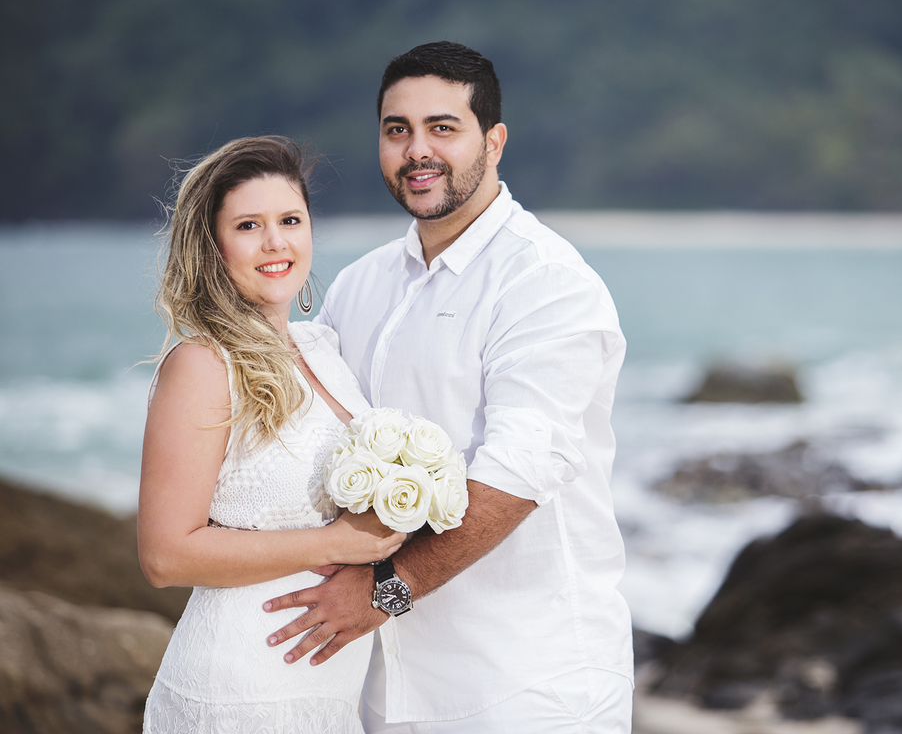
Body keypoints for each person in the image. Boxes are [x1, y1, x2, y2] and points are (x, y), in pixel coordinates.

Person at [264, 42, 635, 731]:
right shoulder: (359, 285)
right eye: (396, 129)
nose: (416, 151)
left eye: (443, 128)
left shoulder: (545, 282)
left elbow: (520, 472)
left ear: (493, 142)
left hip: (525, 683)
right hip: (378, 687)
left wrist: (384, 595)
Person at [138, 135, 407, 733]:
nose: (276, 243)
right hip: (240, 690)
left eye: (290, 220)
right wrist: (332, 544)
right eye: (249, 225)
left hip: (328, 693)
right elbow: (164, 554)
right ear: (211, 246)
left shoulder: (323, 348)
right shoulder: (204, 363)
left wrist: (390, 587)